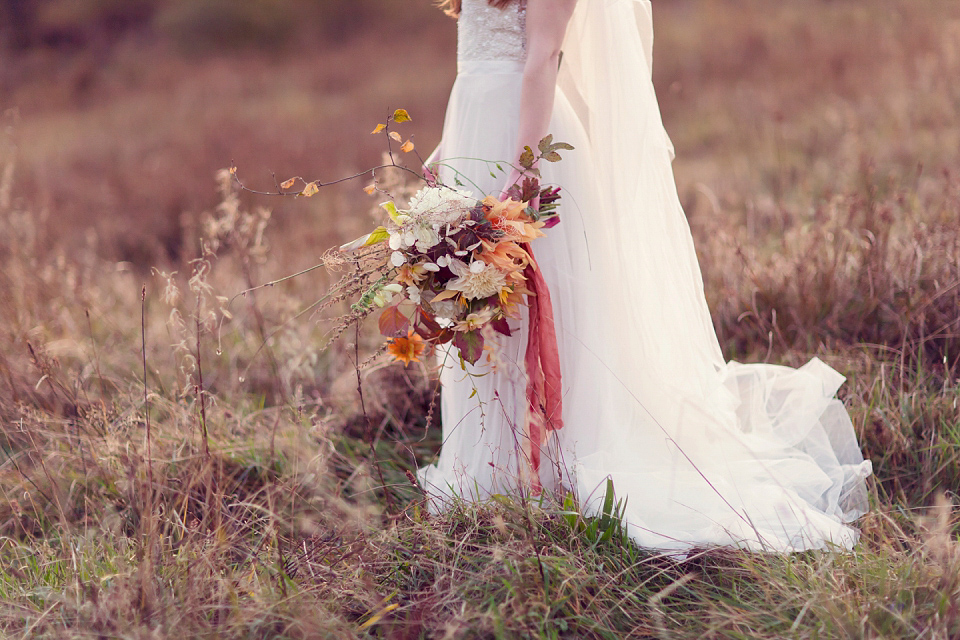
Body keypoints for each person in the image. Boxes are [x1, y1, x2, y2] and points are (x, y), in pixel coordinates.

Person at [416, 0, 873, 553]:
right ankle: (490, 465)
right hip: (475, 126)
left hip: (524, 139)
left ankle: (553, 464)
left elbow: (541, 59)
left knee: (536, 295)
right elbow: (480, 66)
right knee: (479, 297)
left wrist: (522, 171)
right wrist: (449, 147)